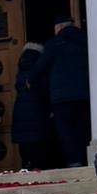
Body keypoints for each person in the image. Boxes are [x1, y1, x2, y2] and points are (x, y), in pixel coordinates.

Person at [31, 16, 90, 167]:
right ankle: (86, 160)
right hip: (83, 95)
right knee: (82, 129)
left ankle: (74, 162)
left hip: (61, 98)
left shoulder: (54, 44)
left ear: (59, 27)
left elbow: (39, 68)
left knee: (66, 132)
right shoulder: (86, 40)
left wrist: (30, 80)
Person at [11, 41, 49, 170]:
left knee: (25, 148)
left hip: (20, 110)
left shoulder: (20, 69)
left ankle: (27, 168)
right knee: (38, 147)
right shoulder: (40, 69)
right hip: (37, 110)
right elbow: (43, 91)